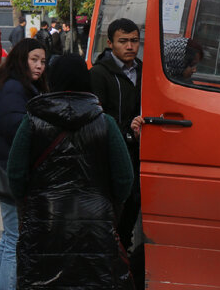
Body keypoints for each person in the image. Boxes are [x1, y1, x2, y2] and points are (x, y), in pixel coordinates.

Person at [9, 54, 134, 290]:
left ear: (52, 81)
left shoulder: (32, 122)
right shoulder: (105, 122)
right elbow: (124, 179)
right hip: (95, 225)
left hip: (43, 221)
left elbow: (15, 174)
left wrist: (27, 205)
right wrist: (110, 207)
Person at [0, 37, 48, 290]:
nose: (39, 66)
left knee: (9, 237)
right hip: (12, 171)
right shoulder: (14, 88)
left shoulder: (17, 85)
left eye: (43, 61)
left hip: (11, 169)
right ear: (21, 59)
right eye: (34, 60)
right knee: (15, 240)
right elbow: (16, 127)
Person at [90, 18, 145, 256]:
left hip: (137, 153)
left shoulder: (144, 70)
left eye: (134, 41)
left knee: (131, 212)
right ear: (111, 43)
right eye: (123, 41)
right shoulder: (99, 74)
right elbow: (97, 118)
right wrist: (124, 130)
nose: (130, 46)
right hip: (110, 157)